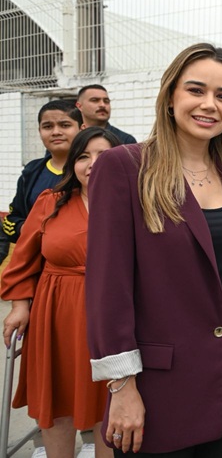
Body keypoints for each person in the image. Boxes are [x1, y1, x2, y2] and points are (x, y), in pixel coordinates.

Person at [85, 43, 222, 456]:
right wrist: (122, 386)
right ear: (171, 97)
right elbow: (107, 287)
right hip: (156, 392)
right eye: (196, 90)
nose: (209, 105)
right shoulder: (125, 167)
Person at [2, 127, 120, 458]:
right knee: (58, 401)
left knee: (110, 402)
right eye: (83, 156)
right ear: (72, 165)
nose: (93, 164)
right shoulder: (50, 202)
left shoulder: (135, 204)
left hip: (113, 316)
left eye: (104, 155)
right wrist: (19, 306)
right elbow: (23, 261)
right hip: (56, 316)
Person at [3, 100, 82, 253]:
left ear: (82, 129)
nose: (56, 132)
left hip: (81, 259)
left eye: (65, 125)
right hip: (38, 258)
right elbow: (12, 218)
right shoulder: (31, 172)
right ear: (39, 132)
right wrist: (27, 229)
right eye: (47, 126)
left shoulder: (93, 170)